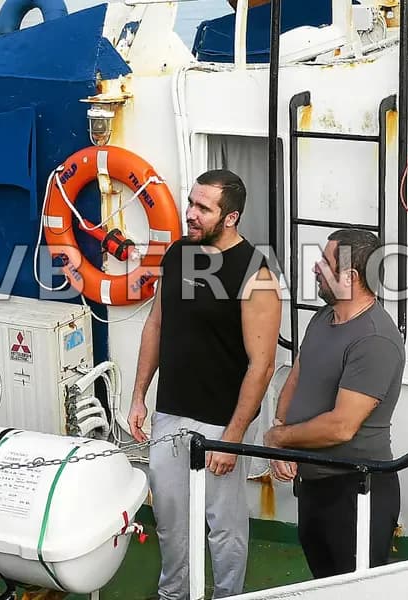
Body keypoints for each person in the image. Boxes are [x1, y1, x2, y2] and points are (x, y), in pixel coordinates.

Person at [127, 169, 281, 599]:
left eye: (203, 208)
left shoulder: (256, 273)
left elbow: (263, 365)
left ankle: (228, 595)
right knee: (172, 520)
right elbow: (157, 324)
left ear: (230, 217)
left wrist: (232, 437)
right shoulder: (178, 253)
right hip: (169, 412)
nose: (190, 214)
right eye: (190, 203)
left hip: (220, 421)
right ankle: (173, 594)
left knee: (223, 524)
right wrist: (139, 396)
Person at [264, 229, 404, 579]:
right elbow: (298, 376)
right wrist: (282, 432)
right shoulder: (323, 318)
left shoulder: (374, 339)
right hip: (314, 487)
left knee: (353, 589)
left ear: (351, 277)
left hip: (356, 492)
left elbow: (342, 425)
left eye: (325, 262)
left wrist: (279, 439)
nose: (315, 267)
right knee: (323, 583)